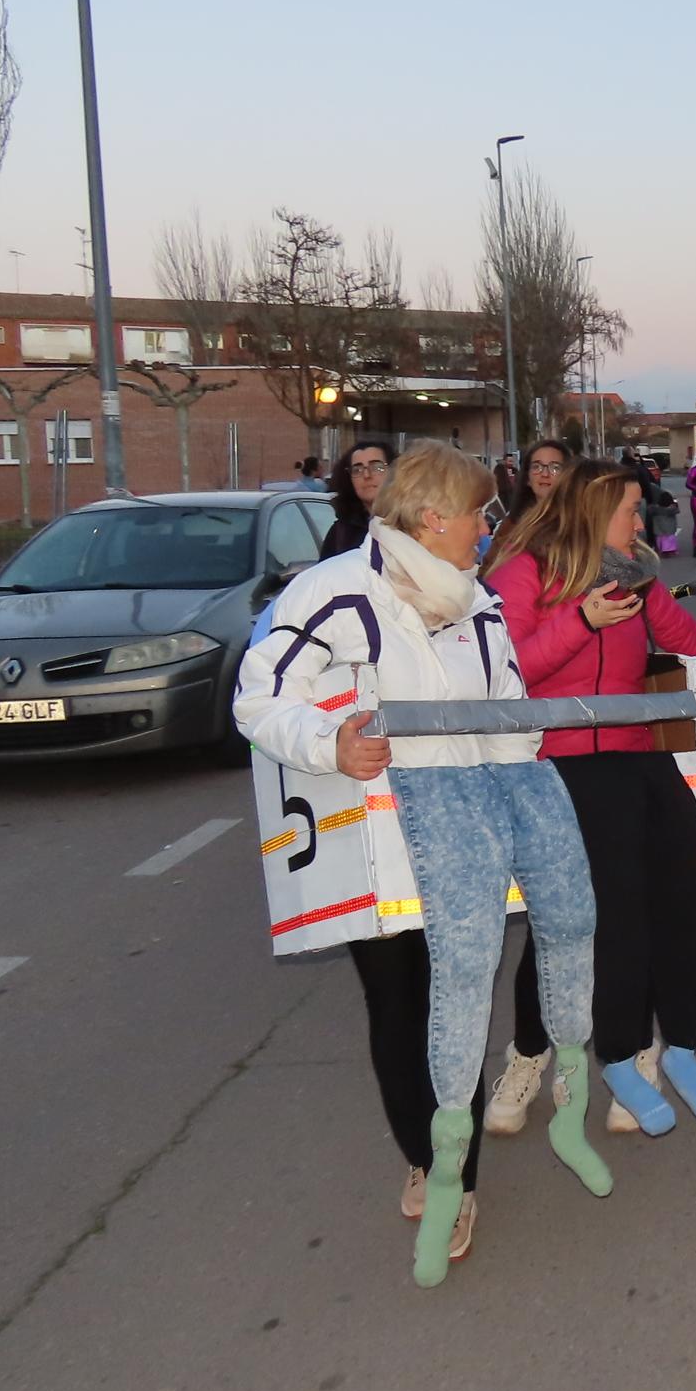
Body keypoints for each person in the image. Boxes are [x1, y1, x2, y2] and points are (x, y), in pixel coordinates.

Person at [234, 440, 609, 1287]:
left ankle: (458, 1153)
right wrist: (329, 743)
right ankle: (441, 1167)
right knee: (404, 1003)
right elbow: (257, 697)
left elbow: (505, 703)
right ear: (435, 517)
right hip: (379, 841)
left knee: (463, 990)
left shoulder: (475, 604)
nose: (490, 530)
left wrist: (529, 752)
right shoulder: (332, 595)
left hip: (471, 832)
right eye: (481, 513)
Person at [484, 461, 696, 1137]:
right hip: (559, 761)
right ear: (594, 513)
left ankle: (658, 1043)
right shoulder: (523, 573)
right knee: (588, 915)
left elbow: (684, 637)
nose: (642, 521)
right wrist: (582, 619)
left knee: (677, 868)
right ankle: (564, 1052)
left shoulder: (633, 571)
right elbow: (504, 672)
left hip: (633, 750)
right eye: (630, 510)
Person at [321, 439, 395, 558]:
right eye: (357, 470)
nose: (367, 475)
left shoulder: (413, 524)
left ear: (393, 471)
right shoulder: (340, 534)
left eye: (376, 467)